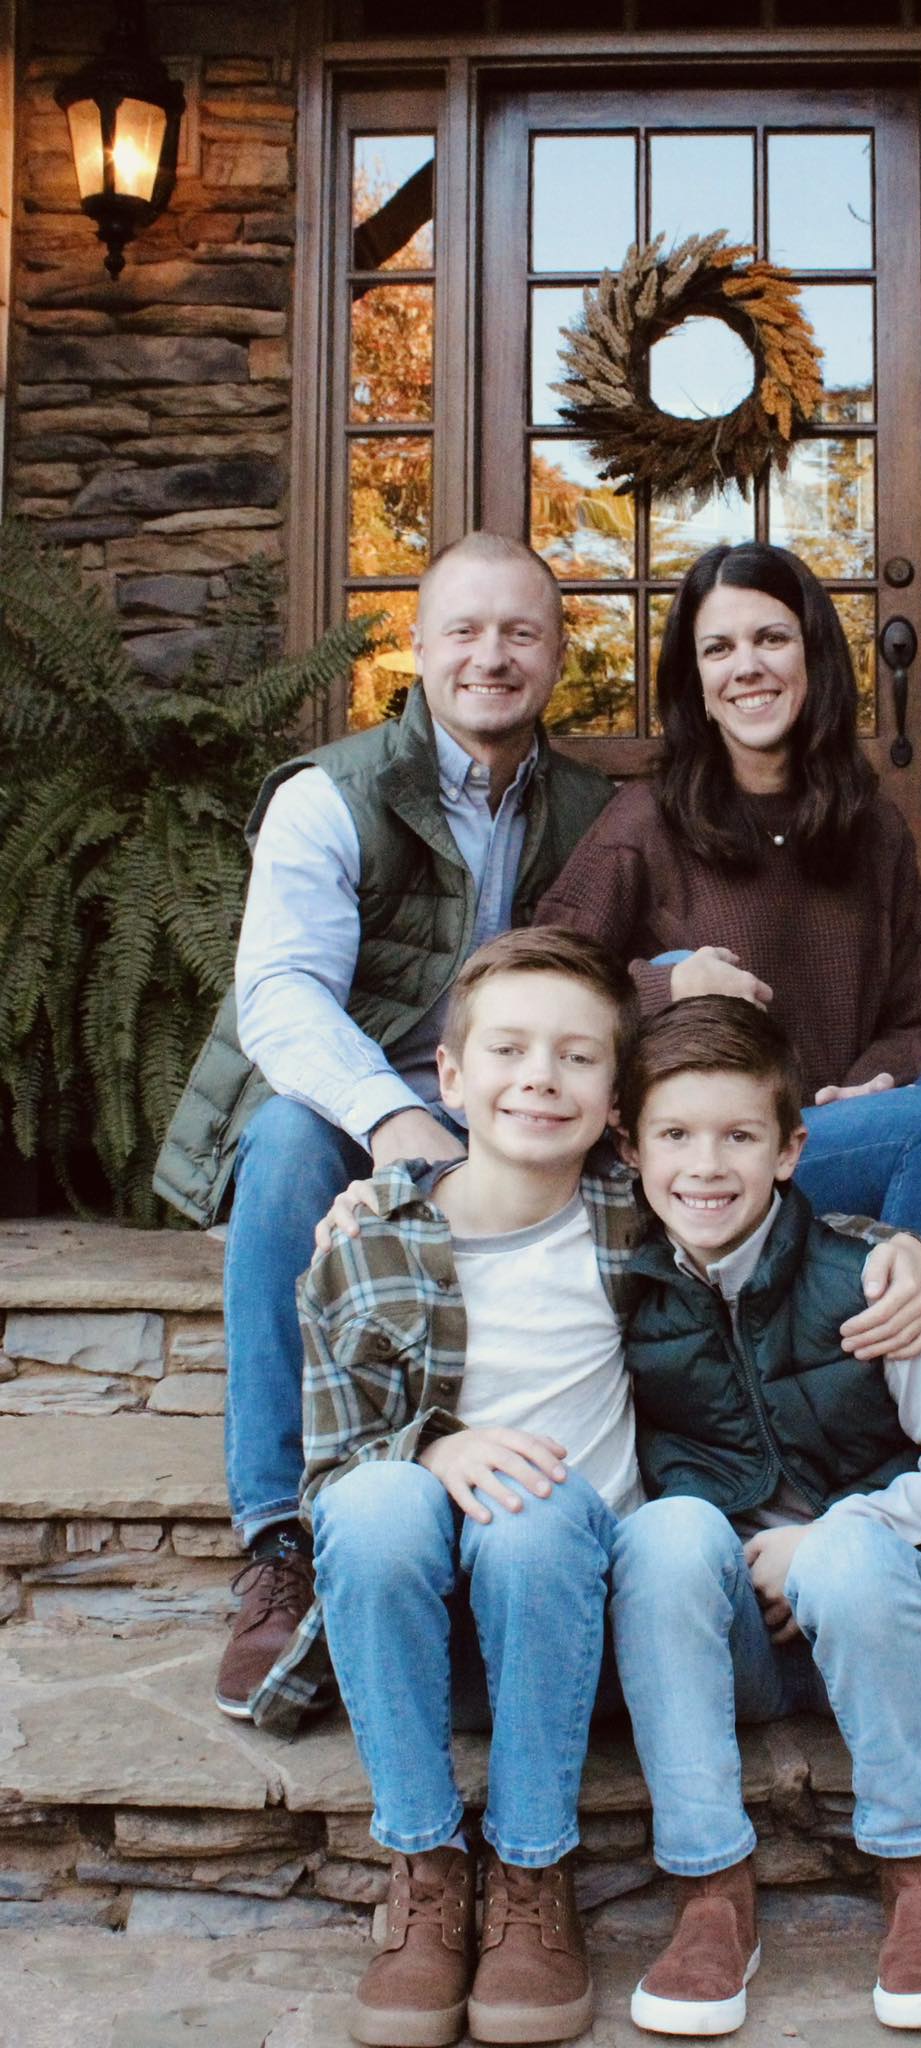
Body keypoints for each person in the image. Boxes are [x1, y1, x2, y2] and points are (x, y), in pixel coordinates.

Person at [251, 928, 921, 2048]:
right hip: (439, 1650)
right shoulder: (366, 1247)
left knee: (531, 1515)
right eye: (511, 1049)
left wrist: (901, 1245)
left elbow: (761, 1223)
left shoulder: (632, 1223)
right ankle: (425, 1865)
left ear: (612, 1098)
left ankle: (532, 1873)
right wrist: (432, 1450)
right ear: (452, 1076)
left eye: (577, 1057)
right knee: (375, 1500)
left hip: (590, 1630)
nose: (539, 1075)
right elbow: (326, 1481)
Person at [534, 539, 921, 1644]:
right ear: (691, 678)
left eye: (768, 638)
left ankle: (890, 1268)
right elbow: (545, 977)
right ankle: (902, 1463)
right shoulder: (645, 820)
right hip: (722, 1156)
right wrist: (663, 981)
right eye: (717, 647)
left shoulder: (867, 819)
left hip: (843, 1136)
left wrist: (875, 1081)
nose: (745, 665)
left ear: (811, 655)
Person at [152, 533, 618, 1722]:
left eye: (519, 630)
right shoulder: (330, 793)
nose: (490, 655)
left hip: (499, 1105)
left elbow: (614, 971)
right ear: (415, 649)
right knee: (286, 1146)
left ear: (556, 654)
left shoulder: (590, 809)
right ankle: (277, 1541)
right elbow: (279, 997)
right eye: (463, 629)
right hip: (352, 1096)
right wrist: (397, 1115)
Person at [610, 995, 921, 2036]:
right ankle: (711, 1889)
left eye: (737, 1135)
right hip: (748, 1642)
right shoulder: (624, 1306)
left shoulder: (868, 1281)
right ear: (630, 1150)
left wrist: (822, 1543)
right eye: (675, 1134)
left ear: (791, 1147)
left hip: (890, 1611)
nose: (705, 1165)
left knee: (848, 1545)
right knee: (662, 1534)